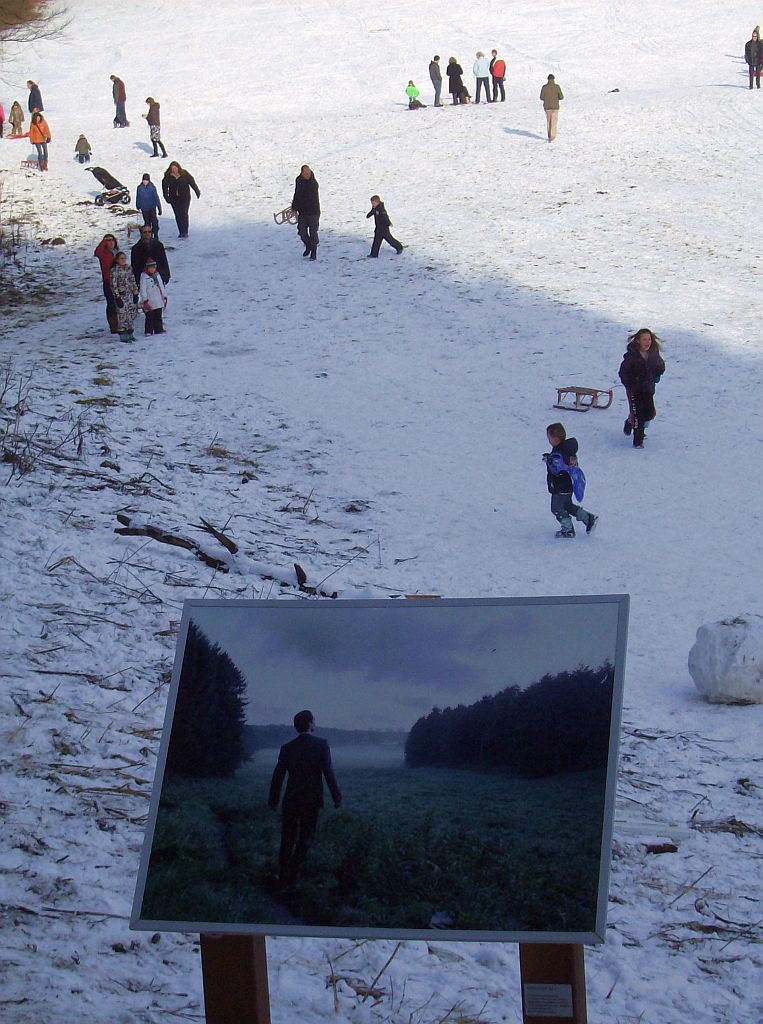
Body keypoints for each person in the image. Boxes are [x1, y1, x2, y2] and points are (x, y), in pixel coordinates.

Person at [268, 710, 342, 886]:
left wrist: (273, 801)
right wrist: (336, 797)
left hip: (291, 800)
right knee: (306, 838)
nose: (315, 723)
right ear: (309, 724)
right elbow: (328, 773)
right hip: (311, 801)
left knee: (287, 838)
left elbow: (278, 776)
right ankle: (293, 874)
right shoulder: (321, 745)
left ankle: (284, 875)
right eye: (314, 720)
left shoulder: (287, 748)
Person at [543, 423, 598, 538]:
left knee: (557, 508)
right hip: (568, 485)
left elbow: (557, 470)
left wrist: (549, 460)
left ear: (556, 439)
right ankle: (588, 518)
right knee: (567, 505)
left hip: (560, 486)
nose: (549, 441)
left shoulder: (559, 453)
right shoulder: (567, 450)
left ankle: (567, 529)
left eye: (549, 438)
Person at [618, 328, 666, 449]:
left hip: (648, 389)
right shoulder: (632, 356)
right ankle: (638, 441)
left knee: (649, 413)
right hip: (635, 390)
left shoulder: (654, 354)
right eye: (644, 339)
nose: (647, 342)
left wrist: (657, 374)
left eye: (649, 339)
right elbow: (623, 372)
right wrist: (630, 383)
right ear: (638, 341)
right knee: (638, 415)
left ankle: (630, 421)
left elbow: (661, 366)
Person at [161, 161, 200, 238]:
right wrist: (166, 197)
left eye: (175, 168)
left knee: (184, 214)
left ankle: (185, 231)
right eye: (172, 168)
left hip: (185, 198)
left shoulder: (184, 174)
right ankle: (181, 231)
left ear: (178, 168)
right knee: (178, 215)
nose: (174, 170)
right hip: (174, 199)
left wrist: (197, 191)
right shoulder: (168, 176)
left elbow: (192, 182)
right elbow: (164, 187)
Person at [291, 164, 320, 260]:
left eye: (309, 173)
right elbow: (297, 194)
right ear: (301, 173)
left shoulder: (313, 183)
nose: (308, 175)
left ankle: (314, 251)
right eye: (305, 174)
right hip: (303, 212)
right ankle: (308, 246)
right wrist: (294, 207)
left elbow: (306, 195)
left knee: (313, 232)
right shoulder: (299, 181)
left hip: (313, 212)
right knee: (302, 231)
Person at [109, 251, 139, 342]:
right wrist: (117, 297)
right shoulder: (114, 270)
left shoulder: (128, 268)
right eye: (121, 258)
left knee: (130, 314)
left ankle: (130, 333)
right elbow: (113, 285)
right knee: (122, 316)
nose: (123, 260)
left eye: (124, 258)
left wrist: (135, 293)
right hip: (121, 296)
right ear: (117, 260)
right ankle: (123, 335)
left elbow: (133, 280)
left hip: (129, 294)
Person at [94, 233, 120, 334]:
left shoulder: (117, 253)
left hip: (119, 281)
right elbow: (97, 252)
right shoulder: (103, 253)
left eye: (111, 240)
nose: (110, 242)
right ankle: (113, 326)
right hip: (108, 282)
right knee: (111, 304)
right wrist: (104, 242)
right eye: (107, 241)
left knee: (119, 303)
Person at [139, 258, 167, 336]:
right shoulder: (144, 276)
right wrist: (144, 299)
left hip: (158, 299)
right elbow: (142, 289)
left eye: (153, 268)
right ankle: (149, 330)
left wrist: (164, 296)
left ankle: (159, 328)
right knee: (149, 317)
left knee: (158, 315)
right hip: (149, 300)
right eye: (150, 268)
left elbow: (161, 286)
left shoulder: (157, 275)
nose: (152, 269)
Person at [135, 173, 163, 240]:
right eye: (144, 180)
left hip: (152, 207)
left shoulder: (152, 187)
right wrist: (138, 205)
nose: (145, 181)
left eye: (146, 180)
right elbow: (138, 197)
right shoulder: (139, 188)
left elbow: (156, 197)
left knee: (155, 222)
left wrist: (159, 207)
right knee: (147, 223)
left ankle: (155, 234)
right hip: (144, 208)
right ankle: (148, 236)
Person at [540, 74, 564, 141]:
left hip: (547, 107)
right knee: (554, 121)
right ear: (554, 79)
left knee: (548, 121)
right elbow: (561, 97)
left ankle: (549, 135)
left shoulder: (544, 87)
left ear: (548, 79)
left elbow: (541, 97)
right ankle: (553, 136)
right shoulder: (557, 87)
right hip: (555, 107)